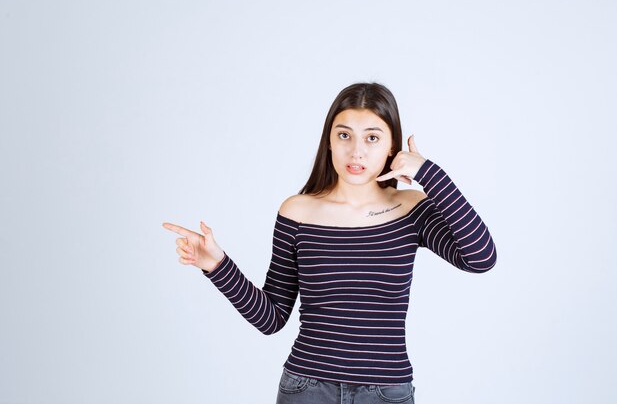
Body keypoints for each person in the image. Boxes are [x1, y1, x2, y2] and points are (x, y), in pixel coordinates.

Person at [162, 82, 497, 404]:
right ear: (329, 142)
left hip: (386, 392)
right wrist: (218, 266)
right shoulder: (298, 212)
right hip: (306, 388)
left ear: (392, 147)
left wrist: (429, 172)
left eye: (372, 138)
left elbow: (480, 257)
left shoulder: (410, 208)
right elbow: (272, 318)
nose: (357, 150)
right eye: (344, 135)